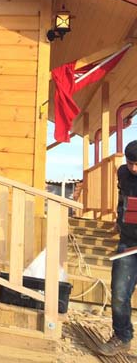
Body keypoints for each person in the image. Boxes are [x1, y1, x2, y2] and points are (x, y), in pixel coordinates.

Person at [99, 140, 137, 356]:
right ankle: (122, 337)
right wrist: (119, 219)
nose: (134, 168)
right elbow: (123, 198)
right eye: (130, 163)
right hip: (128, 242)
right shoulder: (123, 173)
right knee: (120, 293)